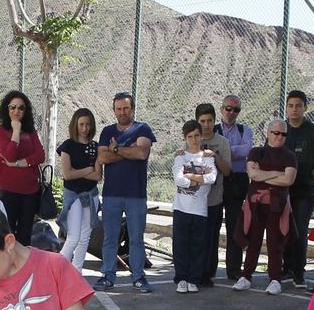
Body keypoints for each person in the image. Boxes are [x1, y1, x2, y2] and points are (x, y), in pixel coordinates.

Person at [96, 91, 157, 293]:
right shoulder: (107, 131)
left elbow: (141, 153)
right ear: (114, 110)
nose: (122, 112)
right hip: (111, 194)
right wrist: (128, 151)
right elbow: (102, 158)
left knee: (136, 238)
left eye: (126, 108)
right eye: (119, 109)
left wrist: (115, 149)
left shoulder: (143, 128)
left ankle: (138, 276)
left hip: (136, 194)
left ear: (132, 109)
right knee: (110, 238)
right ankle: (107, 276)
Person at [234, 116, 297, 295]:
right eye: (276, 133)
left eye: (283, 134)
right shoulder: (256, 152)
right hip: (255, 204)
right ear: (268, 133)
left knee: (275, 243)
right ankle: (246, 276)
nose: (279, 137)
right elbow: (253, 175)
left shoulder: (289, 156)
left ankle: (275, 279)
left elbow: (288, 180)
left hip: (277, 205)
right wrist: (277, 173)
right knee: (253, 241)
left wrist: (263, 173)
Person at [281, 90, 314, 288]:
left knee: (299, 230)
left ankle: (298, 272)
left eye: (298, 105)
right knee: (284, 229)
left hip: (305, 191)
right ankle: (286, 269)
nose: (294, 109)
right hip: (283, 190)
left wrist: (313, 174)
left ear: (305, 107)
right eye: (291, 105)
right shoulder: (280, 129)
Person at [171, 120, 217, 293]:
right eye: (190, 136)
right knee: (181, 245)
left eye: (197, 135)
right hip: (181, 208)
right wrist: (199, 177)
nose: (194, 139)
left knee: (198, 246)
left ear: (201, 136)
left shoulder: (207, 157)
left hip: (200, 209)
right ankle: (181, 278)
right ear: (185, 138)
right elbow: (179, 179)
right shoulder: (180, 156)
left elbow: (212, 178)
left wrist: (189, 175)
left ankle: (193, 279)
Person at [0, 90, 44, 247]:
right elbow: (9, 155)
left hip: (30, 191)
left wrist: (18, 163)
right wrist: (15, 131)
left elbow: (40, 156)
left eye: (21, 108)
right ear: (7, 109)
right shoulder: (0, 130)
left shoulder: (31, 131)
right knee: (6, 233)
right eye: (13, 107)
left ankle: (24, 262)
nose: (16, 111)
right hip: (7, 190)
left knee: (25, 234)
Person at [57, 108, 102, 274]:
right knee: (73, 237)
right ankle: (55, 271)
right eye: (81, 124)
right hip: (73, 196)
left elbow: (98, 176)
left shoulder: (95, 147)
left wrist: (79, 172)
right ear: (75, 125)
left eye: (88, 124)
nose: (85, 128)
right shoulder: (67, 146)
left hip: (91, 195)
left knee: (85, 238)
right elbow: (67, 175)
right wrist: (88, 169)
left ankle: (76, 272)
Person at [195, 102, 234, 287]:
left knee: (211, 237)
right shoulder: (192, 140)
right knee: (196, 237)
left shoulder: (222, 142)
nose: (206, 125)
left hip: (214, 199)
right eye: (202, 121)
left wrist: (215, 156)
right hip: (195, 200)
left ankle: (208, 272)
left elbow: (227, 170)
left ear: (214, 121)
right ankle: (194, 270)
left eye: (209, 121)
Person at [217, 94, 255, 281]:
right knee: (212, 225)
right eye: (228, 108)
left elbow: (247, 150)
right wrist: (235, 150)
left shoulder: (244, 130)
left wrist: (222, 151)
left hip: (237, 180)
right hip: (216, 180)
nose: (231, 112)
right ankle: (207, 268)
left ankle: (233, 268)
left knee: (235, 225)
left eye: (236, 109)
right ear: (221, 109)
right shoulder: (213, 129)